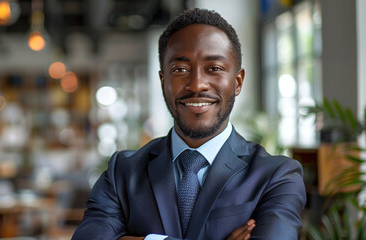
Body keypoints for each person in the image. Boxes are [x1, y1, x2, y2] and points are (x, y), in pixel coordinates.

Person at [72, 8, 306, 240]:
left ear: (237, 82)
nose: (197, 85)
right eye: (180, 69)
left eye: (214, 68)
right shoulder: (122, 173)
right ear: (163, 81)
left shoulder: (277, 177)